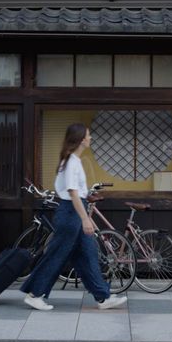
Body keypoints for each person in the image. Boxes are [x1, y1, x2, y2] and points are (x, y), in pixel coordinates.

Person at [20, 123, 128, 311]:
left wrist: (86, 213)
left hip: (74, 212)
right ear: (80, 139)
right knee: (57, 255)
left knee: (88, 254)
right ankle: (35, 294)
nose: (90, 138)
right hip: (70, 214)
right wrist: (85, 218)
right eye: (88, 135)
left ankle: (103, 297)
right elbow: (72, 192)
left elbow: (78, 194)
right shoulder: (71, 162)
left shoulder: (74, 161)